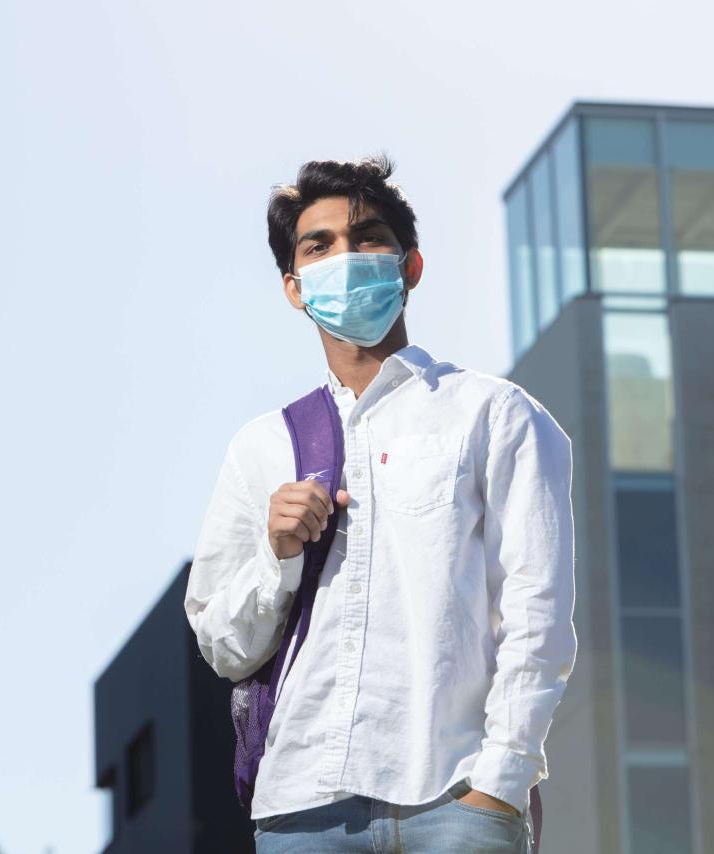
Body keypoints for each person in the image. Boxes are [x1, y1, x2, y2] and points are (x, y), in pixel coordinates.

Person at [183, 154, 578, 853]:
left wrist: (500, 784)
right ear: (295, 288)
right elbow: (224, 646)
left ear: (409, 267)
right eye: (319, 245)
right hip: (303, 812)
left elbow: (538, 615)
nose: (345, 256)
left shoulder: (495, 414)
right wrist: (277, 561)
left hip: (455, 800)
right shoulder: (263, 447)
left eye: (367, 238)